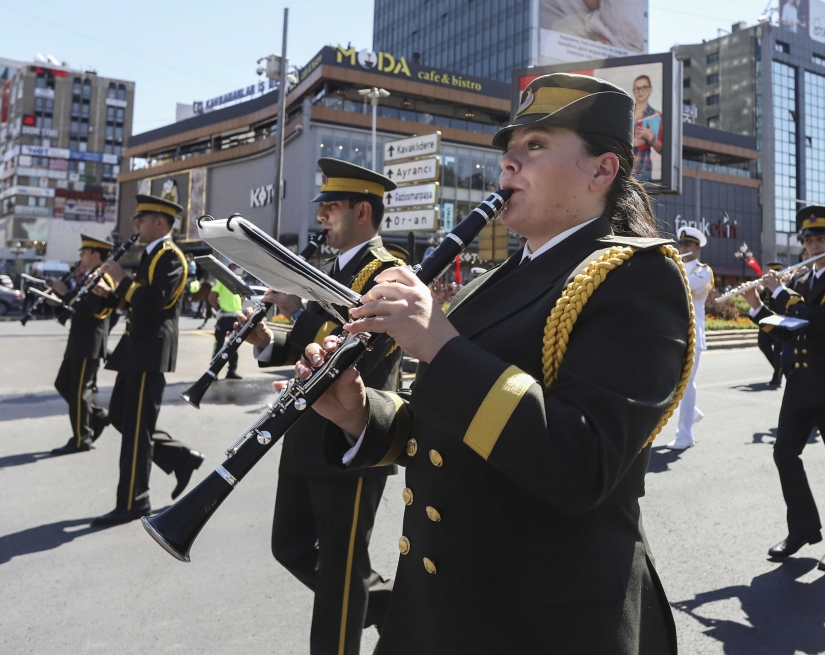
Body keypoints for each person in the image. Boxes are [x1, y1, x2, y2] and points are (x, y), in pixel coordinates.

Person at [297, 74, 687, 653]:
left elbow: (582, 462)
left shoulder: (635, 276)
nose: (508, 164)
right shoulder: (494, 283)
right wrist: (361, 414)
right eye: (508, 151)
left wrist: (440, 345)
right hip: (436, 614)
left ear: (602, 171)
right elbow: (448, 430)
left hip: (542, 621)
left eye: (535, 147)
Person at [238, 158, 404, 654]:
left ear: (363, 212)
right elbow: (305, 346)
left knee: (338, 570)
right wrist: (268, 335)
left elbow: (366, 350)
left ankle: (357, 606)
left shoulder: (387, 272)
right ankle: (388, 605)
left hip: (350, 441)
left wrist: (297, 313)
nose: (323, 217)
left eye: (332, 207)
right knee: (288, 546)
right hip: (305, 434)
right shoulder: (329, 271)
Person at [744, 205, 825, 571]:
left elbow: (818, 322)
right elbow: (787, 330)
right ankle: (802, 529)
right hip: (800, 384)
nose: (814, 246)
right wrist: (755, 307)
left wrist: (779, 292)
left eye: (822, 239)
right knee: (784, 454)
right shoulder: (798, 282)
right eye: (809, 240)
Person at [91, 194, 204, 526]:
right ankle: (180, 457)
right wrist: (111, 291)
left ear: (160, 222)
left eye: (141, 219)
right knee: (121, 418)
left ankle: (133, 501)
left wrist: (121, 280)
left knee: (137, 430)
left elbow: (155, 301)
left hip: (149, 352)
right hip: (135, 350)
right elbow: (137, 301)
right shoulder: (152, 255)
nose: (136, 225)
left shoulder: (171, 257)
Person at [47, 235, 115, 455]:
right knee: (63, 383)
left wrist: (65, 294)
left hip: (89, 343)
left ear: (96, 255)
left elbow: (87, 309)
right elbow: (75, 304)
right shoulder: (89, 276)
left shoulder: (102, 277)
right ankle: (97, 415)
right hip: (78, 340)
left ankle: (81, 439)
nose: (80, 256)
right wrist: (57, 298)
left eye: (84, 252)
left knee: (79, 393)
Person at [668, 226, 711, 450]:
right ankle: (691, 411)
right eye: (681, 244)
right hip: (674, 332)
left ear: (697, 248)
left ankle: (685, 434)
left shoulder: (703, 271)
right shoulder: (674, 265)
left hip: (694, 333)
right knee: (673, 382)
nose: (682, 247)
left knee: (686, 383)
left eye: (687, 245)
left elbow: (686, 286)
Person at [207, 265, 245, 380]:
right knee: (219, 345)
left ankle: (231, 371)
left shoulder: (238, 279)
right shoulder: (221, 279)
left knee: (234, 345)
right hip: (225, 316)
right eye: (234, 266)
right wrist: (218, 309)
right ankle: (214, 372)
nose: (236, 268)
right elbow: (211, 297)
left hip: (236, 316)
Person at [756, 261, 786, 388]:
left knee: (779, 349)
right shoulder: (767, 285)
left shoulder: (783, 284)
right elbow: (764, 302)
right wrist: (759, 290)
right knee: (763, 344)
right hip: (767, 319)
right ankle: (779, 367)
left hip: (779, 320)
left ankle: (777, 376)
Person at [632, 75, 663, 180]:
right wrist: (632, 143)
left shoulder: (655, 115)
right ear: (634, 91)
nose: (641, 91)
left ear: (650, 89)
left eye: (644, 87)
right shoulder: (625, 113)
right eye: (637, 88)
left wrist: (650, 138)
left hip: (643, 170)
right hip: (622, 171)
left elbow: (662, 149)